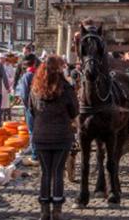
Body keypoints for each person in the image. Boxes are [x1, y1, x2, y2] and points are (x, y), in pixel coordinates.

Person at [30, 55, 78, 220]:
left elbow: (31, 110)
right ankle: (57, 209)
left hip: (41, 135)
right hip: (61, 135)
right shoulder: (66, 88)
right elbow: (74, 111)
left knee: (45, 173)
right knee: (57, 172)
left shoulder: (36, 89)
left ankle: (44, 210)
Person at [15, 54, 40, 166]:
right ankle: (37, 150)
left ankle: (35, 156)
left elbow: (24, 94)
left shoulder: (27, 76)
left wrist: (27, 106)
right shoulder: (39, 75)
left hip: (31, 107)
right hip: (41, 107)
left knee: (32, 131)